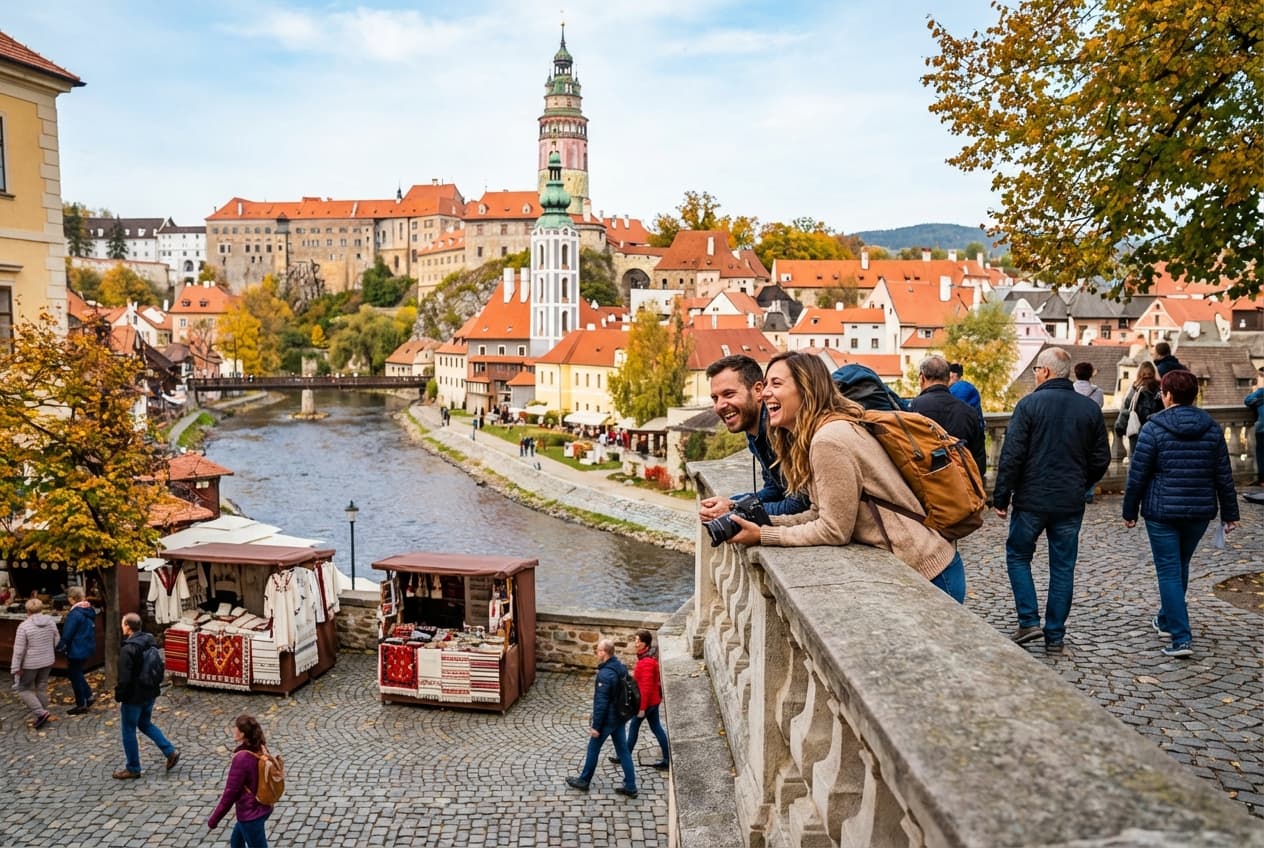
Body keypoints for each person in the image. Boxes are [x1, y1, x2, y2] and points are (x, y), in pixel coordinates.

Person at [724, 351, 968, 603]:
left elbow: (833, 530)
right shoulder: (821, 433)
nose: (764, 394)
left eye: (776, 384)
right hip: (920, 567)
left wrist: (764, 536)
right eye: (765, 385)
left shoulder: (828, 440)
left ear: (806, 388)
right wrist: (765, 522)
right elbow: (819, 513)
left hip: (929, 573)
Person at [992, 348, 1111, 653]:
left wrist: (1002, 496)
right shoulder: (1088, 409)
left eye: (1035, 370)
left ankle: (1029, 620)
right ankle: (1055, 635)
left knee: (1018, 556)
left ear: (1044, 371)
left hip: (1031, 499)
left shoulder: (1029, 405)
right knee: (1062, 567)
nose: (1034, 374)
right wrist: (1081, 483)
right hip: (1069, 502)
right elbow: (1101, 459)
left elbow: (1012, 456)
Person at [1122, 370, 1239, 658]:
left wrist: (1130, 510)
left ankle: (1180, 637)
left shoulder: (1153, 428)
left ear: (1168, 396)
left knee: (1169, 571)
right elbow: (1223, 474)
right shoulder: (1211, 428)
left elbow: (1138, 475)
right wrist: (1230, 513)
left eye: (1163, 392)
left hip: (1162, 512)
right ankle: (1165, 620)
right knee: (1180, 565)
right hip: (1198, 511)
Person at [699, 354, 810, 523]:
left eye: (728, 394)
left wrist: (735, 509)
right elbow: (776, 488)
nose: (719, 405)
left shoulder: (783, 428)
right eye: (715, 398)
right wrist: (734, 502)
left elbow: (800, 503)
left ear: (758, 390)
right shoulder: (754, 429)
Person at [565, 637, 638, 798]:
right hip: (619, 717)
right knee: (623, 751)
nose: (596, 652)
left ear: (604, 652)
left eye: (598, 650)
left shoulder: (605, 675)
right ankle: (631, 785)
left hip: (608, 719)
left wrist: (596, 727)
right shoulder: (621, 667)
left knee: (593, 748)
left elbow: (601, 704)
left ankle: (584, 780)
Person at [113, 612, 179, 779]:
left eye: (123, 624)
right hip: (150, 692)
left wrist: (120, 695)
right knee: (145, 723)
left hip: (134, 696)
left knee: (128, 730)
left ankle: (133, 767)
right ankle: (170, 751)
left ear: (128, 627)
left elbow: (124, 677)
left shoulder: (128, 649)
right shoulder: (150, 642)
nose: (122, 626)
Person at [907, 355, 986, 479]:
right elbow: (979, 460)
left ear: (922, 378)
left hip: (927, 484)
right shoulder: (969, 411)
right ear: (948, 378)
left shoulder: (915, 408)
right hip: (960, 484)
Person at [208, 714, 275, 847]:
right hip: (263, 806)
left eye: (236, 728)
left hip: (251, 815)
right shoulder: (260, 747)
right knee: (236, 842)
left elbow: (231, 793)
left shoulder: (241, 758)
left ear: (242, 734)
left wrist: (214, 819)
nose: (233, 730)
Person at [611, 629, 669, 771]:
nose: (636, 643)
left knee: (635, 727)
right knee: (656, 728)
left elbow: (646, 688)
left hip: (648, 704)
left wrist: (642, 708)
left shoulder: (646, 662)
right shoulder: (647, 658)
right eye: (635, 640)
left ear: (646, 644)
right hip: (653, 702)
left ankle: (624, 755)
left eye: (639, 641)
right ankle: (667, 758)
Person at [11, 598, 58, 729]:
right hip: (48, 660)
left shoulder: (24, 626)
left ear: (27, 611)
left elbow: (19, 650)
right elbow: (57, 639)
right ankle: (43, 712)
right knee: (41, 686)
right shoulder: (51, 622)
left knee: (23, 688)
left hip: (30, 663)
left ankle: (41, 713)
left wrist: (15, 667)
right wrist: (49, 650)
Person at [56, 585, 97, 714]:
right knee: (78, 673)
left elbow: (68, 633)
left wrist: (61, 645)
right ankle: (88, 696)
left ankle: (81, 703)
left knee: (75, 675)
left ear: (72, 599)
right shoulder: (88, 610)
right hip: (86, 645)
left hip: (76, 648)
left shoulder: (75, 614)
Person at [1116, 361, 1163, 456]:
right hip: (1137, 437)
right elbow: (1126, 409)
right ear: (1139, 376)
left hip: (1155, 437)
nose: (1147, 378)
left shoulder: (1159, 391)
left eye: (1149, 375)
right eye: (1144, 375)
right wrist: (1133, 390)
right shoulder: (1134, 391)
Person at [1245, 368, 1264, 486]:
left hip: (1262, 429)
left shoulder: (1261, 394)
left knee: (1261, 454)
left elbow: (1248, 401)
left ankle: (1262, 479)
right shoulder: (1260, 396)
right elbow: (1248, 401)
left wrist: (1260, 390)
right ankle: (1262, 479)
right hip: (1261, 429)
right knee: (1261, 454)